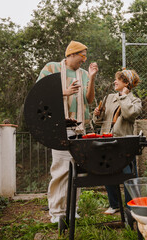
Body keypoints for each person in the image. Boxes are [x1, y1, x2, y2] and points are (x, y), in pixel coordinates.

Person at [37, 40, 98, 223]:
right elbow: (39, 92)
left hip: (80, 128)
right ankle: (57, 212)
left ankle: (72, 209)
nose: (84, 60)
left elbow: (89, 100)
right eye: (82, 56)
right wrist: (65, 92)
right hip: (59, 128)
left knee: (77, 171)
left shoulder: (84, 73)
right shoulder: (52, 68)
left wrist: (92, 77)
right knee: (61, 170)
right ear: (71, 54)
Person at [93, 69, 142, 214]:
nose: (114, 81)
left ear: (126, 83)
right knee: (108, 172)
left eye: (118, 80)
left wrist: (124, 97)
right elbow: (98, 122)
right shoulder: (109, 98)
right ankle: (114, 205)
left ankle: (131, 206)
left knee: (129, 175)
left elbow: (130, 114)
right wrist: (97, 114)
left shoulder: (135, 101)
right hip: (106, 141)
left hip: (124, 144)